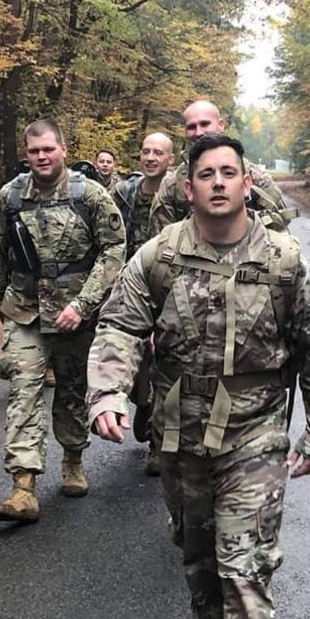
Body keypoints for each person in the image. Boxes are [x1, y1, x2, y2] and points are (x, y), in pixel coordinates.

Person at [88, 134, 310, 619]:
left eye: (229, 173)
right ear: (189, 188)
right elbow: (120, 324)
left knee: (244, 568)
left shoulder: (282, 259)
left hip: (256, 432)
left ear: (247, 184)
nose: (219, 182)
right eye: (207, 175)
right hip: (179, 434)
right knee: (201, 563)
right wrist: (108, 391)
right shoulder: (159, 255)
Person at [0, 119, 125, 521]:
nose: (41, 157)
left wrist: (84, 304)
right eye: (33, 151)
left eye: (48, 149)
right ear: (26, 155)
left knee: (72, 389)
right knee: (23, 390)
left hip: (75, 314)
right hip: (25, 311)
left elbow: (114, 250)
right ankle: (22, 486)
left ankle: (74, 457)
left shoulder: (90, 196)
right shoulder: (9, 198)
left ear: (63, 148)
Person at [113, 132, 175, 476]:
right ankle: (143, 403)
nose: (151, 158)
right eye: (146, 152)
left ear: (170, 158)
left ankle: (157, 441)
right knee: (134, 357)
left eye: (158, 153)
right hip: (132, 285)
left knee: (164, 359)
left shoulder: (178, 191)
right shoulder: (124, 193)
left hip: (165, 286)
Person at [150, 100, 292, 234]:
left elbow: (279, 225)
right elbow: (161, 238)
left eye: (205, 124)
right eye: (191, 127)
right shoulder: (172, 184)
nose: (198, 132)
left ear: (221, 125)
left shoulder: (254, 177)